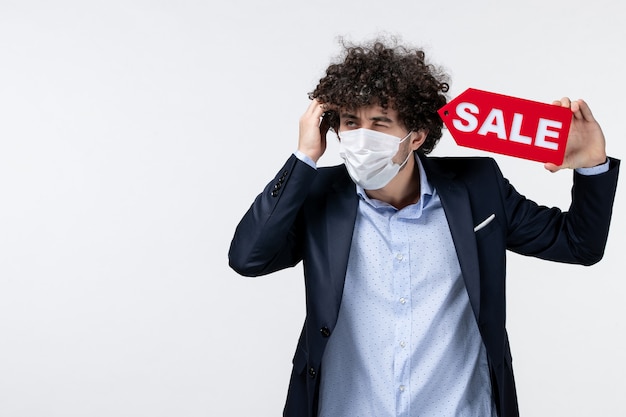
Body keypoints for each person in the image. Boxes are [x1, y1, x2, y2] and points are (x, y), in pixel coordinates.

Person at [227, 38, 619, 417]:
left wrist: (591, 167)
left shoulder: (478, 187)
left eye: (379, 123)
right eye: (350, 122)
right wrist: (304, 158)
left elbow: (579, 244)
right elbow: (248, 258)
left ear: (416, 135)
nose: (362, 136)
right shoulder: (317, 194)